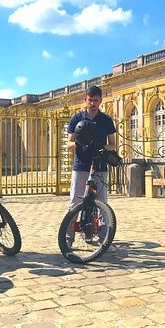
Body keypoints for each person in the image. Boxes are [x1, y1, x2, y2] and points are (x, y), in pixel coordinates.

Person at [66, 86, 117, 248]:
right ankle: (68, 238)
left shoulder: (106, 120)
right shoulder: (76, 119)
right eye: (90, 100)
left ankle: (104, 238)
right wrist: (80, 143)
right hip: (81, 165)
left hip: (100, 165)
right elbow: (69, 144)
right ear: (85, 100)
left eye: (96, 100)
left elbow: (113, 144)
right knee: (75, 201)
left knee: (102, 202)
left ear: (100, 101)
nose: (93, 104)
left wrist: (103, 148)